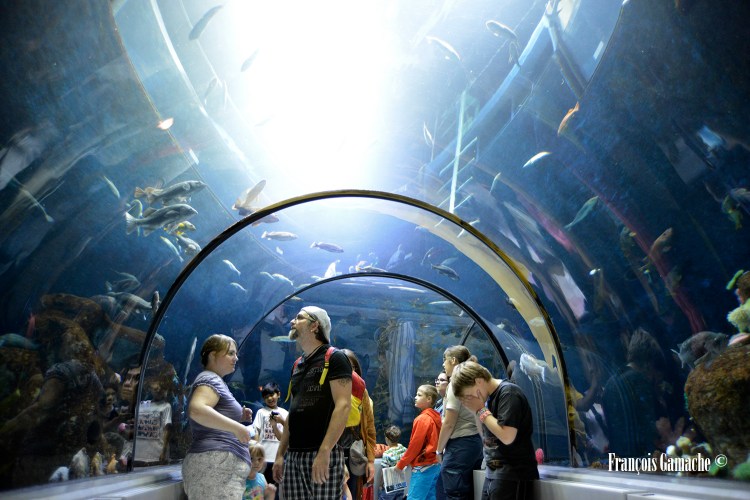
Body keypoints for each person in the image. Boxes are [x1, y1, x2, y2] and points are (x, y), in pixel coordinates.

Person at [273, 306, 353, 499]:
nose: (292, 321)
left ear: (314, 326)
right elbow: (294, 412)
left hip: (322, 453)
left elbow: (343, 406)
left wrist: (325, 451)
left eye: (299, 317)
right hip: (293, 456)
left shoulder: (335, 358)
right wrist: (280, 455)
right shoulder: (297, 364)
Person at [450, 361, 539, 500]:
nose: (471, 400)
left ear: (478, 381)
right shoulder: (488, 399)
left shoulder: (508, 393)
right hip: (494, 472)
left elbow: (507, 436)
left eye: (469, 395)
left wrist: (480, 410)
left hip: (513, 473)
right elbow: (484, 434)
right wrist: (476, 411)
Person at [182, 334, 255, 499]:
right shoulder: (210, 378)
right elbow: (197, 409)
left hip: (218, 468)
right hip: (214, 466)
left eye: (236, 354)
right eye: (230, 353)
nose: (236, 358)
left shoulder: (216, 380)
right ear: (212, 355)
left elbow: (211, 416)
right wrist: (237, 427)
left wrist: (239, 417)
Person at [436, 346, 483, 500]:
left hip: (459, 447)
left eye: (445, 360)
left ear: (453, 360)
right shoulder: (473, 382)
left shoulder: (456, 383)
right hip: (475, 445)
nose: (443, 364)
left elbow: (449, 422)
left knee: (454, 494)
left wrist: (439, 450)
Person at [395, 385, 442, 500]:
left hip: (423, 466)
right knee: (430, 497)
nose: (415, 397)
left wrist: (401, 464)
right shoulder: (436, 417)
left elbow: (415, 446)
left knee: (414, 498)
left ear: (429, 399)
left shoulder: (422, 419)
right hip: (435, 464)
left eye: (419, 395)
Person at [341, 348, 376, 498]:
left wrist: (371, 461)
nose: (350, 372)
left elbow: (370, 430)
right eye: (344, 367)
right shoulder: (329, 392)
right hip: (333, 454)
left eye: (352, 367)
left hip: (355, 454)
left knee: (354, 494)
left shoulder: (363, 393)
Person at [252, 381, 288, 494]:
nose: (269, 398)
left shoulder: (284, 413)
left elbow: (286, 437)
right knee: (260, 487)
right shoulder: (261, 412)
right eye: (266, 397)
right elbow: (256, 431)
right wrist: (256, 454)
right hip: (263, 459)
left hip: (278, 458)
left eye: (272, 395)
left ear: (278, 394)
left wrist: (281, 422)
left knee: (276, 489)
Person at [133, 368, 173, 466]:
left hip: (156, 456)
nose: (158, 390)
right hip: (138, 455)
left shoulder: (166, 406)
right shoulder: (141, 405)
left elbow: (167, 430)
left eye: (162, 388)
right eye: (155, 388)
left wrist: (163, 452)